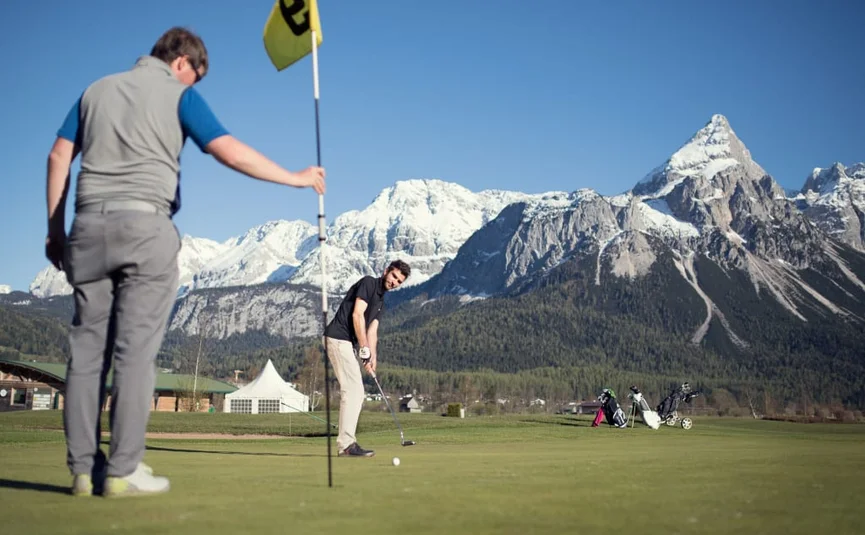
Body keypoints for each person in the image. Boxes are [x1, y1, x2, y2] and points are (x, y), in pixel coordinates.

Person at [45, 27, 325, 497]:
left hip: (88, 227)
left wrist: (55, 231)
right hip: (145, 230)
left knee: (87, 352)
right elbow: (227, 150)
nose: (193, 86)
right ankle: (122, 470)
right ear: (182, 63)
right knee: (135, 354)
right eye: (195, 77)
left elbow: (59, 156)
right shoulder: (178, 95)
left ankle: (80, 469)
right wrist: (295, 179)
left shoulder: (95, 91)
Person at [323, 260, 411, 457]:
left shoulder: (381, 302)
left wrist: (372, 357)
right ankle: (346, 445)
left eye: (399, 281)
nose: (395, 282)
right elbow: (357, 315)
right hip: (338, 338)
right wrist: (363, 348)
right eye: (394, 276)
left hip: (346, 343)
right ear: (386, 271)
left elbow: (372, 332)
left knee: (356, 391)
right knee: (353, 390)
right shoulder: (369, 283)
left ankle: (347, 444)